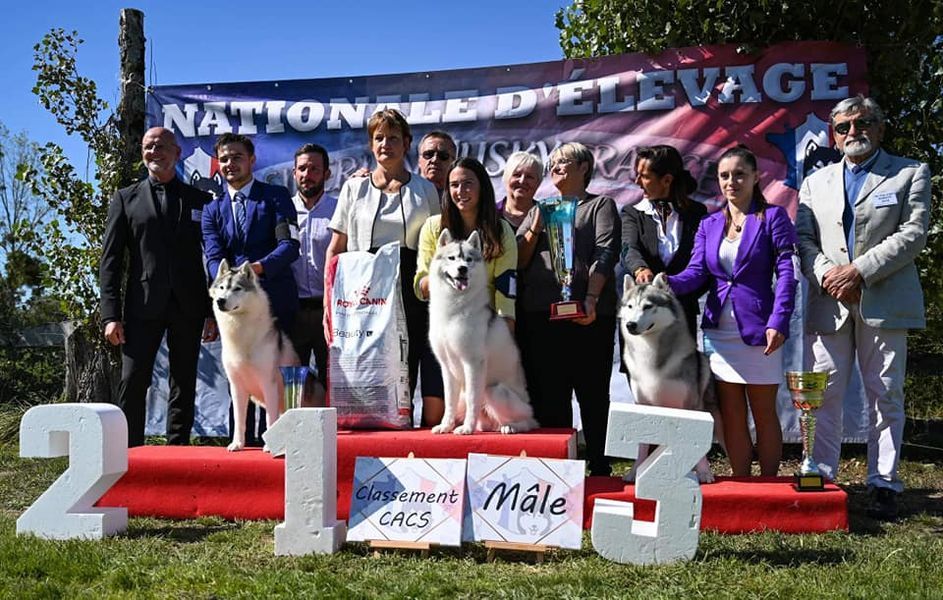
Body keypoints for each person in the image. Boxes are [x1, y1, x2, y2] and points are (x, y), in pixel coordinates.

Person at [796, 95, 931, 520]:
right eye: (844, 126)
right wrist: (827, 275)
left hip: (884, 298)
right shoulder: (814, 182)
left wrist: (858, 271)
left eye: (864, 122)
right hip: (829, 299)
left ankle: (884, 483)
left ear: (880, 127)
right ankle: (822, 474)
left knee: (884, 393)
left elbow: (913, 234)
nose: (854, 131)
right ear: (834, 137)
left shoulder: (910, 172)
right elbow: (803, 240)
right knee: (824, 394)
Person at [668, 146, 797, 478]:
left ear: (756, 177)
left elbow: (786, 273)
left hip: (760, 332)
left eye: (740, 174)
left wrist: (778, 320)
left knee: (764, 412)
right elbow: (695, 273)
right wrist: (664, 282)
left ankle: (767, 485)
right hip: (718, 334)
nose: (731, 181)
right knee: (731, 414)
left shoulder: (774, 217)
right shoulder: (709, 224)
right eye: (725, 175)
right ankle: (742, 483)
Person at [325, 109, 443, 423]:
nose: (385, 144)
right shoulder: (354, 188)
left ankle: (413, 444)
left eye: (393, 138)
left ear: (407, 144)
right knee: (370, 372)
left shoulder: (426, 189)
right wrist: (329, 302)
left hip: (414, 288)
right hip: (365, 294)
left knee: (411, 362)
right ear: (371, 143)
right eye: (379, 138)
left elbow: (438, 244)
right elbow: (336, 249)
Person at [100, 127, 214, 447]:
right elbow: (110, 262)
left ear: (177, 154)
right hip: (141, 306)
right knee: (133, 381)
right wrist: (110, 315)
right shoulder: (125, 199)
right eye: (149, 146)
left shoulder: (200, 200)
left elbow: (212, 259)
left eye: (162, 146)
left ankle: (177, 450)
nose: (155, 152)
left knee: (184, 382)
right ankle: (128, 452)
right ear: (142, 152)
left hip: (189, 306)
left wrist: (211, 313)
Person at [515, 142, 621, 476]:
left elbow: (606, 252)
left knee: (592, 394)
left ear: (584, 168)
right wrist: (537, 222)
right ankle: (559, 470)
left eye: (565, 161)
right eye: (554, 162)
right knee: (549, 396)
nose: (556, 166)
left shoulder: (600, 205)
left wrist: (590, 297)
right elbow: (518, 259)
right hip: (541, 317)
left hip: (589, 317)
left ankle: (600, 467)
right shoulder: (539, 209)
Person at [202, 132, 300, 445]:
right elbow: (213, 256)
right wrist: (227, 280)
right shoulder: (211, 210)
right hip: (234, 310)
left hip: (277, 304)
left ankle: (293, 442)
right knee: (241, 376)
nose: (231, 164)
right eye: (225, 159)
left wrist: (256, 270)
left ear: (252, 160)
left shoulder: (276, 196)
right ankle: (241, 442)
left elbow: (289, 245)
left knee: (286, 382)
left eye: (237, 157)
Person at [414, 157, 518, 326]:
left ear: (482, 187)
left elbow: (506, 289)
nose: (461, 191)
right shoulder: (433, 227)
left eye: (468, 183)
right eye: (454, 185)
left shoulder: (502, 230)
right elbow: (421, 288)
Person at [620, 145, 707, 337]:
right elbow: (628, 247)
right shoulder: (632, 213)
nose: (637, 181)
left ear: (667, 180)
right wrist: (640, 268)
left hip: (681, 318)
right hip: (641, 319)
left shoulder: (697, 214)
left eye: (644, 176)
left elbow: (701, 265)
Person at [288, 143, 336, 406]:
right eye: (303, 169)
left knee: (334, 380)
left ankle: (339, 442)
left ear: (327, 173)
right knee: (293, 384)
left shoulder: (339, 210)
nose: (308, 174)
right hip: (293, 311)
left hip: (328, 311)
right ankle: (294, 439)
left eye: (315, 169)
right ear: (294, 173)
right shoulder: (282, 210)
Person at [498, 151, 543, 230]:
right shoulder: (489, 214)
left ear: (538, 182)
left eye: (529, 177)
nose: (522, 181)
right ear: (506, 178)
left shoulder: (547, 216)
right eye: (517, 175)